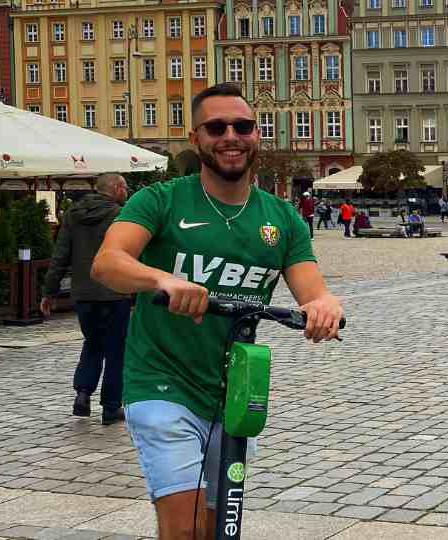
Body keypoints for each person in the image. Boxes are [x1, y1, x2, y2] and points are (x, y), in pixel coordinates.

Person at [90, 83, 342, 539]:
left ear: (257, 135)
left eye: (242, 126)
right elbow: (108, 262)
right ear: (196, 138)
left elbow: (313, 290)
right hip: (161, 381)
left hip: (233, 394)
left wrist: (323, 307)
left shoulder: (281, 218)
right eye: (216, 127)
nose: (231, 135)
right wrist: (160, 279)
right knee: (184, 527)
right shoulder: (161, 200)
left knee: (216, 526)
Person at [40, 174, 132, 425]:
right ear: (115, 189)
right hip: (115, 293)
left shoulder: (73, 214)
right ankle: (111, 407)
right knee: (116, 351)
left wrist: (49, 291)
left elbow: (60, 254)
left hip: (83, 294)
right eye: (125, 187)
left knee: (92, 343)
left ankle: (82, 393)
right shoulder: (121, 215)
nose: (127, 192)